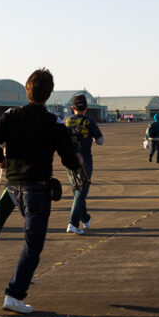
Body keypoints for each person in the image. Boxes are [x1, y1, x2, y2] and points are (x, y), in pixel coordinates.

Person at [0, 68, 82, 314]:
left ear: (27, 91)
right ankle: (14, 295)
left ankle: (25, 275)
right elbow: (69, 158)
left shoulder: (11, 116)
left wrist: (1, 159)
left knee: (31, 240)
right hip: (36, 190)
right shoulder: (53, 122)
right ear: (48, 94)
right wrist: (78, 161)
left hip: (14, 189)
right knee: (33, 243)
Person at [64, 93, 103, 235]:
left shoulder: (66, 122)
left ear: (72, 107)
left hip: (69, 161)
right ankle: (72, 223)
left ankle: (85, 218)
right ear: (86, 107)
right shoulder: (89, 122)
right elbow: (100, 141)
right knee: (81, 191)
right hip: (85, 161)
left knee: (77, 191)